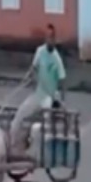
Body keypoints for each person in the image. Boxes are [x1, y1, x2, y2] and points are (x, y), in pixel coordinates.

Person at [10, 23, 67, 157]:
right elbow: (34, 68)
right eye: (47, 37)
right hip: (38, 94)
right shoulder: (40, 51)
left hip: (49, 96)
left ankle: (39, 151)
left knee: (44, 124)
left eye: (51, 37)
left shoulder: (56, 59)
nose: (49, 40)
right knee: (20, 115)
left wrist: (62, 101)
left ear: (54, 39)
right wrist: (29, 76)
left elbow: (62, 80)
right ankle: (14, 146)